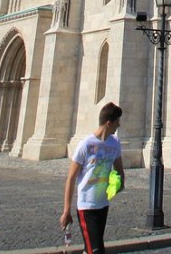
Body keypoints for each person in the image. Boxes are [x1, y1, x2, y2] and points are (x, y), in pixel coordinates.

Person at [61, 102, 125, 254]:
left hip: (103, 203)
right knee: (96, 250)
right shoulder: (85, 145)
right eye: (117, 122)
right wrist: (66, 211)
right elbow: (71, 178)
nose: (119, 125)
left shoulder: (115, 143)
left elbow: (119, 170)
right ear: (109, 123)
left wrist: (119, 182)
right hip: (86, 205)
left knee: (91, 246)